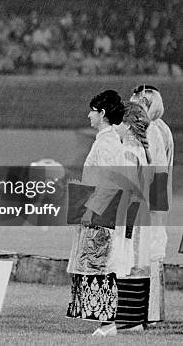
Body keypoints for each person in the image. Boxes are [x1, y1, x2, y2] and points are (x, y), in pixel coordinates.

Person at [66, 90, 124, 336]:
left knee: (100, 265)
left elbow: (111, 182)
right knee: (95, 264)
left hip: (100, 214)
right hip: (96, 210)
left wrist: (92, 209)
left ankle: (108, 322)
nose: (88, 115)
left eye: (92, 110)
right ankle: (104, 322)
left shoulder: (108, 142)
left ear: (102, 113)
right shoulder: (103, 140)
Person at [130, 84, 174, 324]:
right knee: (151, 252)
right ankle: (151, 312)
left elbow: (155, 171)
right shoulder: (160, 127)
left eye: (133, 99)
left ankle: (149, 312)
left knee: (147, 253)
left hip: (148, 202)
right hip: (154, 201)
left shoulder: (151, 130)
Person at [112, 101, 153, 332]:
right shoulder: (142, 149)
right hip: (141, 216)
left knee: (125, 263)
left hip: (130, 216)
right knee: (137, 265)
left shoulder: (128, 151)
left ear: (127, 125)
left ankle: (127, 321)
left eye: (118, 120)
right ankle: (137, 318)